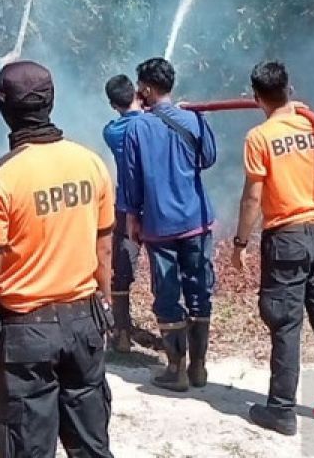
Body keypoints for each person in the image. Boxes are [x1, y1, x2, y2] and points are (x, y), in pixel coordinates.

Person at [0, 60, 116, 458]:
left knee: (26, 448)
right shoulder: (91, 163)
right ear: (50, 102)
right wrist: (104, 306)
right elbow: (104, 250)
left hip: (26, 334)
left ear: (2, 106)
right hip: (85, 324)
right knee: (92, 447)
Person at [231, 61, 314, 436]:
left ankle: (281, 410)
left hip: (285, 239)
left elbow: (253, 196)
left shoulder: (259, 137)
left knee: (285, 324)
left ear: (255, 97)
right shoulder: (312, 123)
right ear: (290, 89)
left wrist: (240, 242)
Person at [120, 57, 217, 392]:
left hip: (160, 224)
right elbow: (208, 158)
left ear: (146, 88)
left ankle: (175, 369)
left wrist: (132, 217)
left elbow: (129, 181)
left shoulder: (137, 127)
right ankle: (199, 367)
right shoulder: (195, 118)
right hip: (197, 219)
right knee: (199, 288)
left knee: (167, 292)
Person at [101, 74, 145, 352]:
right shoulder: (153, 124)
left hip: (128, 206)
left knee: (122, 267)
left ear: (112, 103)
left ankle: (122, 331)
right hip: (158, 208)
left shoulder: (112, 131)